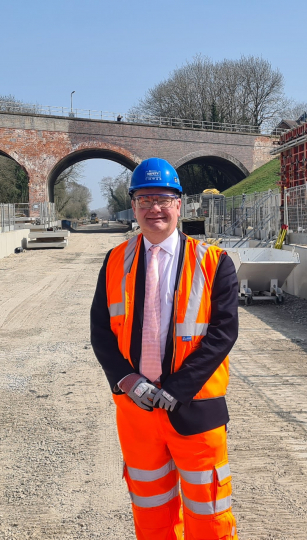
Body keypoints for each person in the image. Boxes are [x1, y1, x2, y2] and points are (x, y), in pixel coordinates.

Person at [90, 157, 240, 540]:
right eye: (144, 199)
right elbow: (101, 332)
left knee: (209, 514)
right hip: (137, 411)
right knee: (151, 513)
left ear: (179, 204)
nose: (154, 208)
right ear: (134, 205)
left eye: (162, 199)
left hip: (196, 408)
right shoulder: (114, 262)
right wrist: (126, 380)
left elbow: (223, 334)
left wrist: (177, 389)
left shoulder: (214, 262)